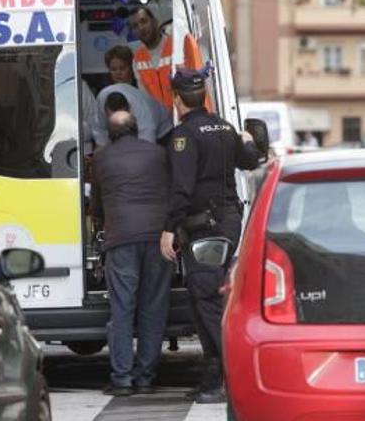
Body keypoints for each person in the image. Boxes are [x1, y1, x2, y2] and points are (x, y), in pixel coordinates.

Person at [159, 66, 262, 404]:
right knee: (203, 298)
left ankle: (231, 379)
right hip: (226, 223)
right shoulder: (225, 127)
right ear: (201, 95)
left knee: (206, 301)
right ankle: (212, 378)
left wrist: (167, 229)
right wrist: (247, 140)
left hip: (205, 226)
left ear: (177, 99)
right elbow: (250, 161)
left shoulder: (184, 136)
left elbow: (181, 189)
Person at [92, 111, 172, 397]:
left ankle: (122, 378)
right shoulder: (159, 154)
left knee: (122, 309)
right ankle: (145, 376)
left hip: (121, 239)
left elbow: (97, 204)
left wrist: (103, 223)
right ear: (137, 129)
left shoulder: (101, 158)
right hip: (157, 238)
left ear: (110, 133)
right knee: (153, 307)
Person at [129, 7, 205, 110]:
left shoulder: (178, 47)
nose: (141, 28)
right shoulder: (137, 60)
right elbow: (145, 98)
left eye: (144, 21)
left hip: (185, 113)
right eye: (135, 26)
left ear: (154, 21)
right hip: (160, 121)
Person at [92, 84, 173, 147]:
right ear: (105, 110)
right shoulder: (101, 100)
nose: (115, 126)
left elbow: (146, 151)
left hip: (163, 132)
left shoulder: (144, 114)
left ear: (129, 110)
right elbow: (99, 130)